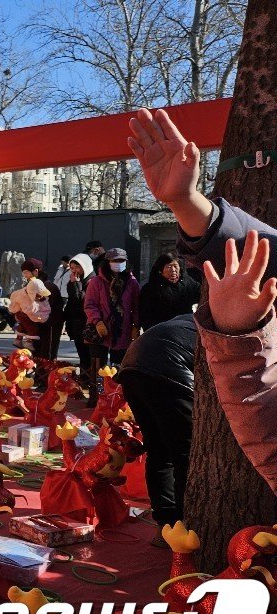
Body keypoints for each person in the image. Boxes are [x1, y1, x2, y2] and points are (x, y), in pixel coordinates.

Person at [128, 107, 277, 492]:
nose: (174, 272)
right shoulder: (149, 287)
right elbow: (256, 248)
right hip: (157, 356)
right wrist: (187, 202)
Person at [117, 314, 195, 536]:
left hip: (132, 367)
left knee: (158, 449)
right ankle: (182, 524)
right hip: (169, 371)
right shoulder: (231, 328)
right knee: (184, 453)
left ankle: (166, 519)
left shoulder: (192, 320)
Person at [84, 248, 140, 366]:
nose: (118, 263)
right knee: (98, 366)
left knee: (119, 366)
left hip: (123, 329)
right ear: (107, 262)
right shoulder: (96, 282)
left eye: (121, 260)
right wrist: (97, 322)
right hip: (99, 329)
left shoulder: (132, 282)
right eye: (114, 260)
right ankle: (97, 384)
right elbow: (90, 305)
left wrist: (136, 325)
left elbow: (137, 306)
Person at [138, 252, 200, 330]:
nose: (173, 270)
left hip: (185, 328)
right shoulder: (150, 288)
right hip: (162, 330)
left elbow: (201, 294)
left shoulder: (187, 282)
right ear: (160, 270)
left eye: (175, 266)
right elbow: (145, 314)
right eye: (169, 267)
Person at [20, 258, 65, 360]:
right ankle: (40, 375)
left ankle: (46, 375)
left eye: (26, 272)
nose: (25, 276)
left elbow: (44, 307)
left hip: (49, 326)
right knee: (37, 354)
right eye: (24, 273)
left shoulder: (48, 287)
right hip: (38, 324)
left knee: (47, 355)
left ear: (36, 271)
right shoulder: (31, 285)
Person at [64, 253, 95, 387]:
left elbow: (81, 302)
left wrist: (75, 285)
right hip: (77, 325)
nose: (75, 270)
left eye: (78, 267)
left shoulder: (92, 282)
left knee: (91, 356)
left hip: (89, 325)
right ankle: (84, 381)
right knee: (82, 355)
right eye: (72, 268)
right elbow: (71, 304)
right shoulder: (76, 282)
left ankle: (91, 383)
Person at [8, 277, 50, 350]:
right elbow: (32, 312)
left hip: (20, 314)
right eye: (37, 296)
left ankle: (18, 339)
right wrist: (40, 317)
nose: (40, 297)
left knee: (23, 326)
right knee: (32, 328)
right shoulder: (27, 300)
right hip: (26, 316)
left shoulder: (21, 294)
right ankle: (29, 342)